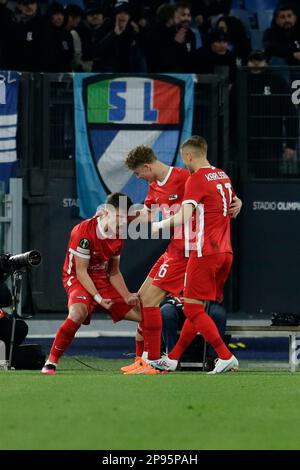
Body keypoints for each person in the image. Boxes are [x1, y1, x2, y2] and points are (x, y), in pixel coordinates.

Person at [122, 145, 241, 375]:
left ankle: (152, 361)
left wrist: (239, 201)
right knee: (144, 300)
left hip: (190, 253)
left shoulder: (186, 176)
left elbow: (222, 196)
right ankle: (150, 359)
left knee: (150, 301)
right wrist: (124, 217)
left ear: (147, 166)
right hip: (174, 250)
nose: (139, 178)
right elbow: (148, 213)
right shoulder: (154, 185)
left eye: (138, 173)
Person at [41, 192, 141, 375]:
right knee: (78, 313)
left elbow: (114, 271)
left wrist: (127, 296)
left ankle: (146, 361)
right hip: (77, 278)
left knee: (144, 315)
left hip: (101, 279)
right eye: (118, 216)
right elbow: (81, 271)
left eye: (125, 218)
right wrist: (98, 298)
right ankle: (51, 361)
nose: (122, 222)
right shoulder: (84, 231)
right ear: (105, 213)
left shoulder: (119, 234)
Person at [246, 49, 298, 177]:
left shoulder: (277, 81)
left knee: (268, 177)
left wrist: (291, 145)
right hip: (244, 142)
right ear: (247, 62)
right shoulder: (241, 81)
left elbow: (291, 114)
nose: (256, 63)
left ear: (266, 62)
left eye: (260, 60)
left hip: (270, 142)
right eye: (253, 60)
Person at [161, 297, 227, 370]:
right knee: (166, 311)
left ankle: (213, 359)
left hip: (203, 303)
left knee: (218, 314)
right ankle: (171, 359)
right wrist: (180, 304)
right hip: (176, 304)